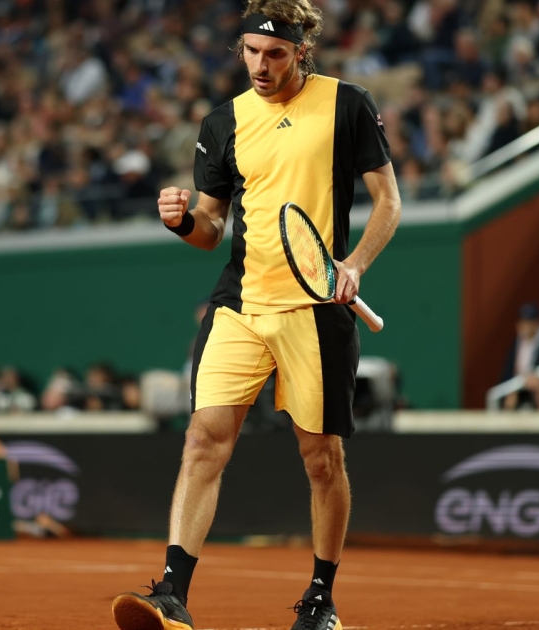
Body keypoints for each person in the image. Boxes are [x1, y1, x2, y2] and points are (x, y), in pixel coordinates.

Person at [110, 2, 402, 630]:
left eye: (274, 54)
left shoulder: (347, 104)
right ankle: (172, 594)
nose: (260, 66)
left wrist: (354, 264)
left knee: (322, 458)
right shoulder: (224, 122)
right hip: (240, 304)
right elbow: (211, 227)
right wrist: (182, 221)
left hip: (316, 308)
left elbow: (389, 201)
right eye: (250, 52)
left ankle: (320, 599)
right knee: (202, 439)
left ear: (301, 51)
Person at [498, 302, 539, 410]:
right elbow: (508, 373)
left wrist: (538, 380)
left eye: (529, 322)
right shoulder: (515, 345)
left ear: (537, 323)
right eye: (523, 322)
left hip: (535, 393)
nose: (525, 326)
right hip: (517, 390)